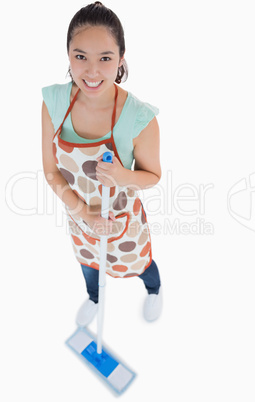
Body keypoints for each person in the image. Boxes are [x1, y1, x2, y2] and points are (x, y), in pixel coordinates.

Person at [42, 2, 162, 326]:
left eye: (105, 59)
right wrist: (83, 214)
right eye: (80, 57)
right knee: (88, 264)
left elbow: (152, 177)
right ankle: (94, 298)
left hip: (123, 221)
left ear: (121, 59)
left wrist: (123, 175)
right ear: (68, 55)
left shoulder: (139, 117)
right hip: (79, 216)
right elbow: (51, 171)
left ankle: (155, 290)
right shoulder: (53, 102)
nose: (91, 72)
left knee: (140, 263)